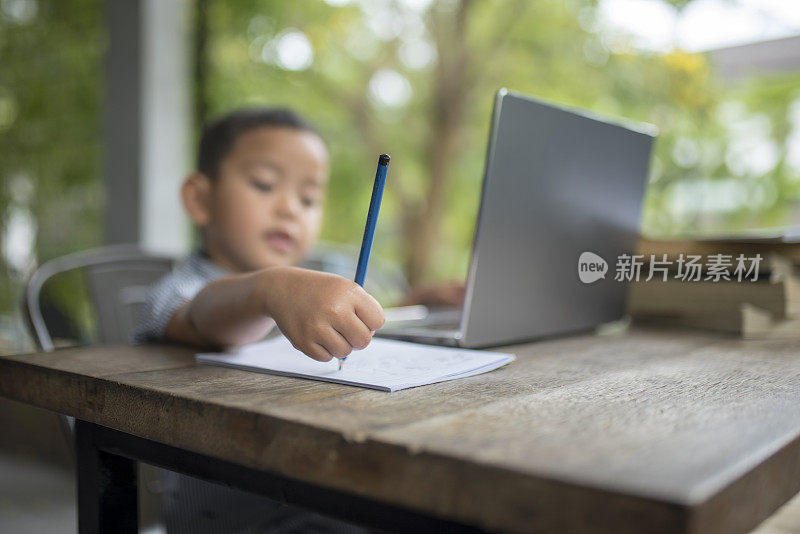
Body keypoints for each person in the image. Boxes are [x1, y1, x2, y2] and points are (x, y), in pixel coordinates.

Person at [133, 107, 462, 532]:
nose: (290, 208)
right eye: (264, 184)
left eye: (309, 199)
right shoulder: (178, 291)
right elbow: (201, 316)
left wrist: (418, 301)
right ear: (200, 198)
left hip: (323, 498)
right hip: (235, 519)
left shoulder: (309, 285)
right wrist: (267, 290)